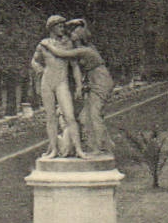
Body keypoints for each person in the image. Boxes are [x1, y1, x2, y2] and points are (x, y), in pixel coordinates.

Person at [39, 19, 115, 156]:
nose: (69, 34)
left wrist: (47, 45)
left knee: (94, 114)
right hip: (93, 80)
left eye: (73, 32)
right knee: (86, 116)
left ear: (80, 35)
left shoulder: (85, 50)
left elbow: (61, 54)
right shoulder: (81, 48)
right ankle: (105, 143)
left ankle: (99, 148)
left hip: (100, 79)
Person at [30, 15, 83, 158]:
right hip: (47, 82)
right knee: (50, 117)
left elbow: (75, 66)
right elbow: (34, 61)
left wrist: (79, 85)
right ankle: (53, 149)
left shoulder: (67, 44)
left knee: (69, 116)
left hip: (61, 82)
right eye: (59, 26)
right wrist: (38, 68)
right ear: (52, 28)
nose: (62, 28)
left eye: (63, 26)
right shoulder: (43, 44)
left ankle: (78, 149)